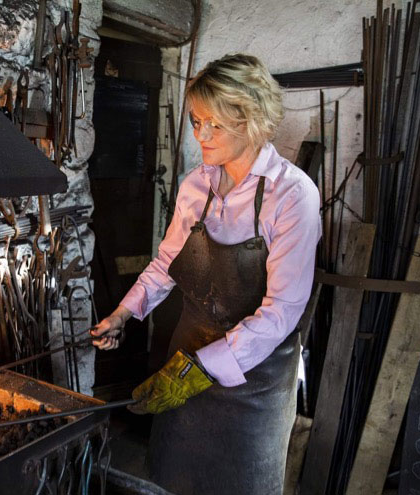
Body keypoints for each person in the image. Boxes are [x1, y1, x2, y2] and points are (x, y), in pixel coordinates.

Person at [90, 53, 321, 495]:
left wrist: (204, 367)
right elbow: (167, 263)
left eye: (216, 124)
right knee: (172, 480)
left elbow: (283, 312)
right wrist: (123, 313)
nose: (201, 135)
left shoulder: (292, 195)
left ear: (251, 120)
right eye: (197, 121)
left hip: (252, 382)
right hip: (185, 363)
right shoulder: (198, 185)